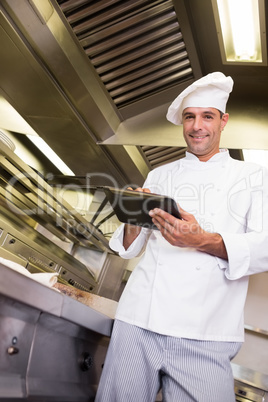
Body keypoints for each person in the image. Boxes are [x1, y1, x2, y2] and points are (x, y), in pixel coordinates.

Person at [95, 72, 268, 402]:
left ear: (223, 121)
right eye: (190, 117)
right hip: (140, 321)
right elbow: (130, 250)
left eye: (207, 116)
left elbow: (266, 246)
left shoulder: (255, 177)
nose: (197, 126)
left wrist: (201, 239)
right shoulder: (160, 174)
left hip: (205, 332)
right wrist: (134, 215)